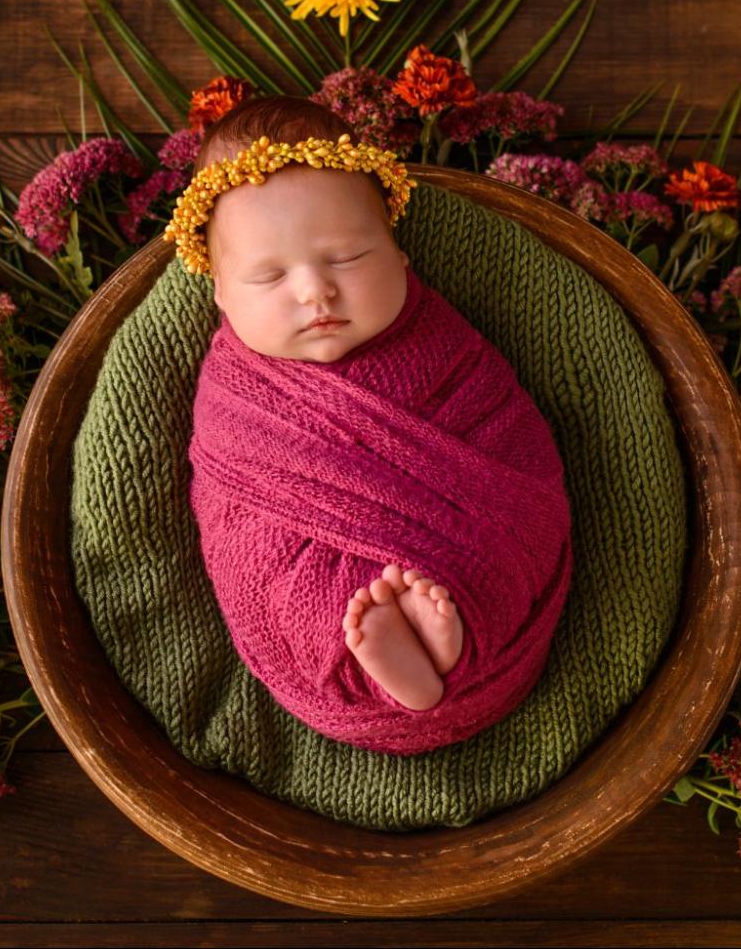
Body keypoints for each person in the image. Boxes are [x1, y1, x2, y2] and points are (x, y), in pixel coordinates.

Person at [169, 95, 574, 753]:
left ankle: (451, 638)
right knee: (280, 578)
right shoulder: (235, 394)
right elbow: (234, 517)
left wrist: (453, 536)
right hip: (309, 546)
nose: (314, 292)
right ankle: (384, 662)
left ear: (399, 253)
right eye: (268, 275)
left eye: (349, 257)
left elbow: (508, 437)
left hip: (457, 547)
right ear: (219, 290)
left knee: (514, 526)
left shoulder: (440, 344)